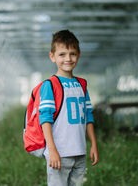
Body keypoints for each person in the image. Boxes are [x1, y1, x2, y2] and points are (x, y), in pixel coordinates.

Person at [39, 29, 99, 186]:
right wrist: (52, 150)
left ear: (78, 55)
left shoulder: (82, 84)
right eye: (62, 54)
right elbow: (45, 119)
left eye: (72, 53)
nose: (68, 58)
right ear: (52, 56)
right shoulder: (50, 85)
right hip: (60, 153)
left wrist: (93, 144)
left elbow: (88, 116)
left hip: (80, 153)